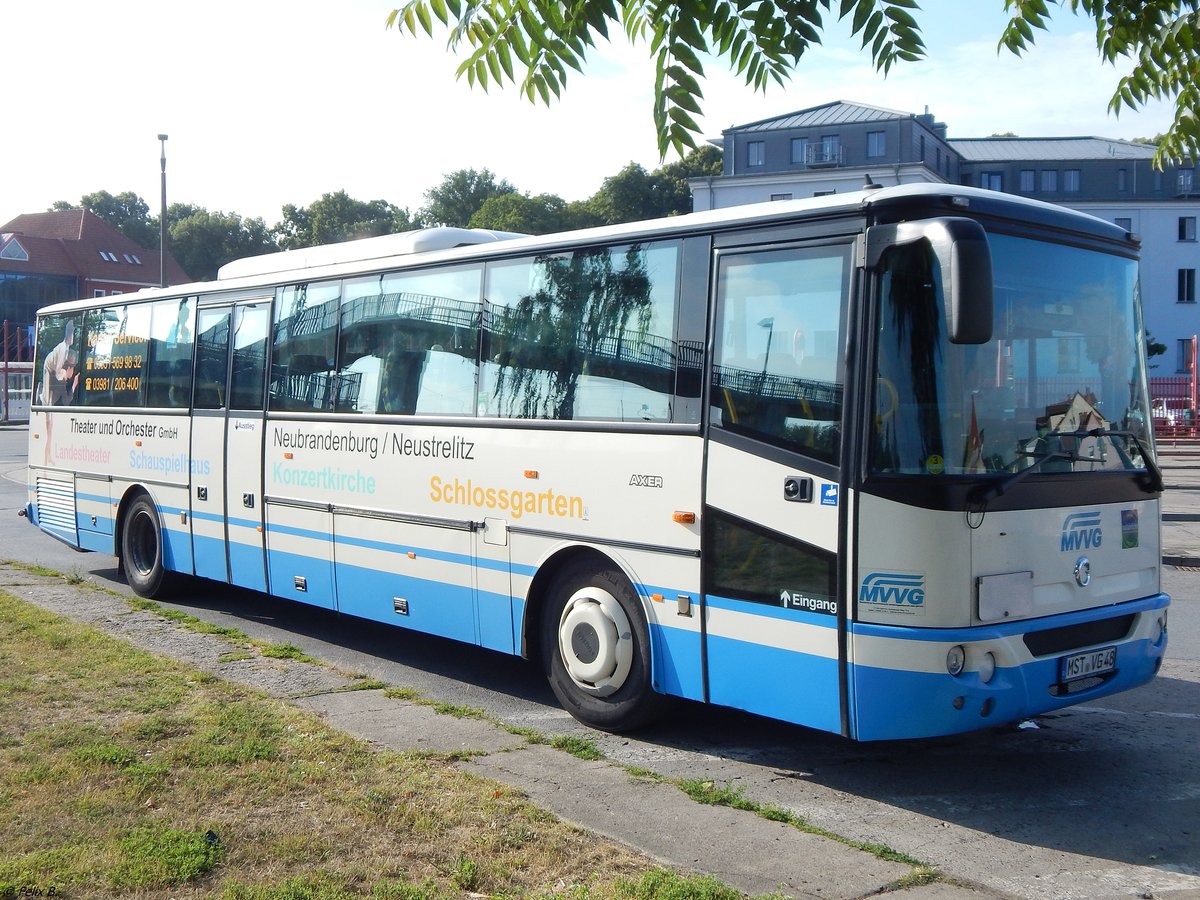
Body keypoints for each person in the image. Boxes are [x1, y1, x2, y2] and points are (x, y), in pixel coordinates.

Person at [41, 319, 79, 406]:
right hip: (49, 368)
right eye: (72, 334)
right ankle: (42, 397)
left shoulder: (67, 348)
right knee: (47, 401)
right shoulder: (62, 348)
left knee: (52, 398)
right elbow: (58, 372)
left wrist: (72, 384)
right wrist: (65, 375)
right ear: (69, 335)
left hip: (58, 375)